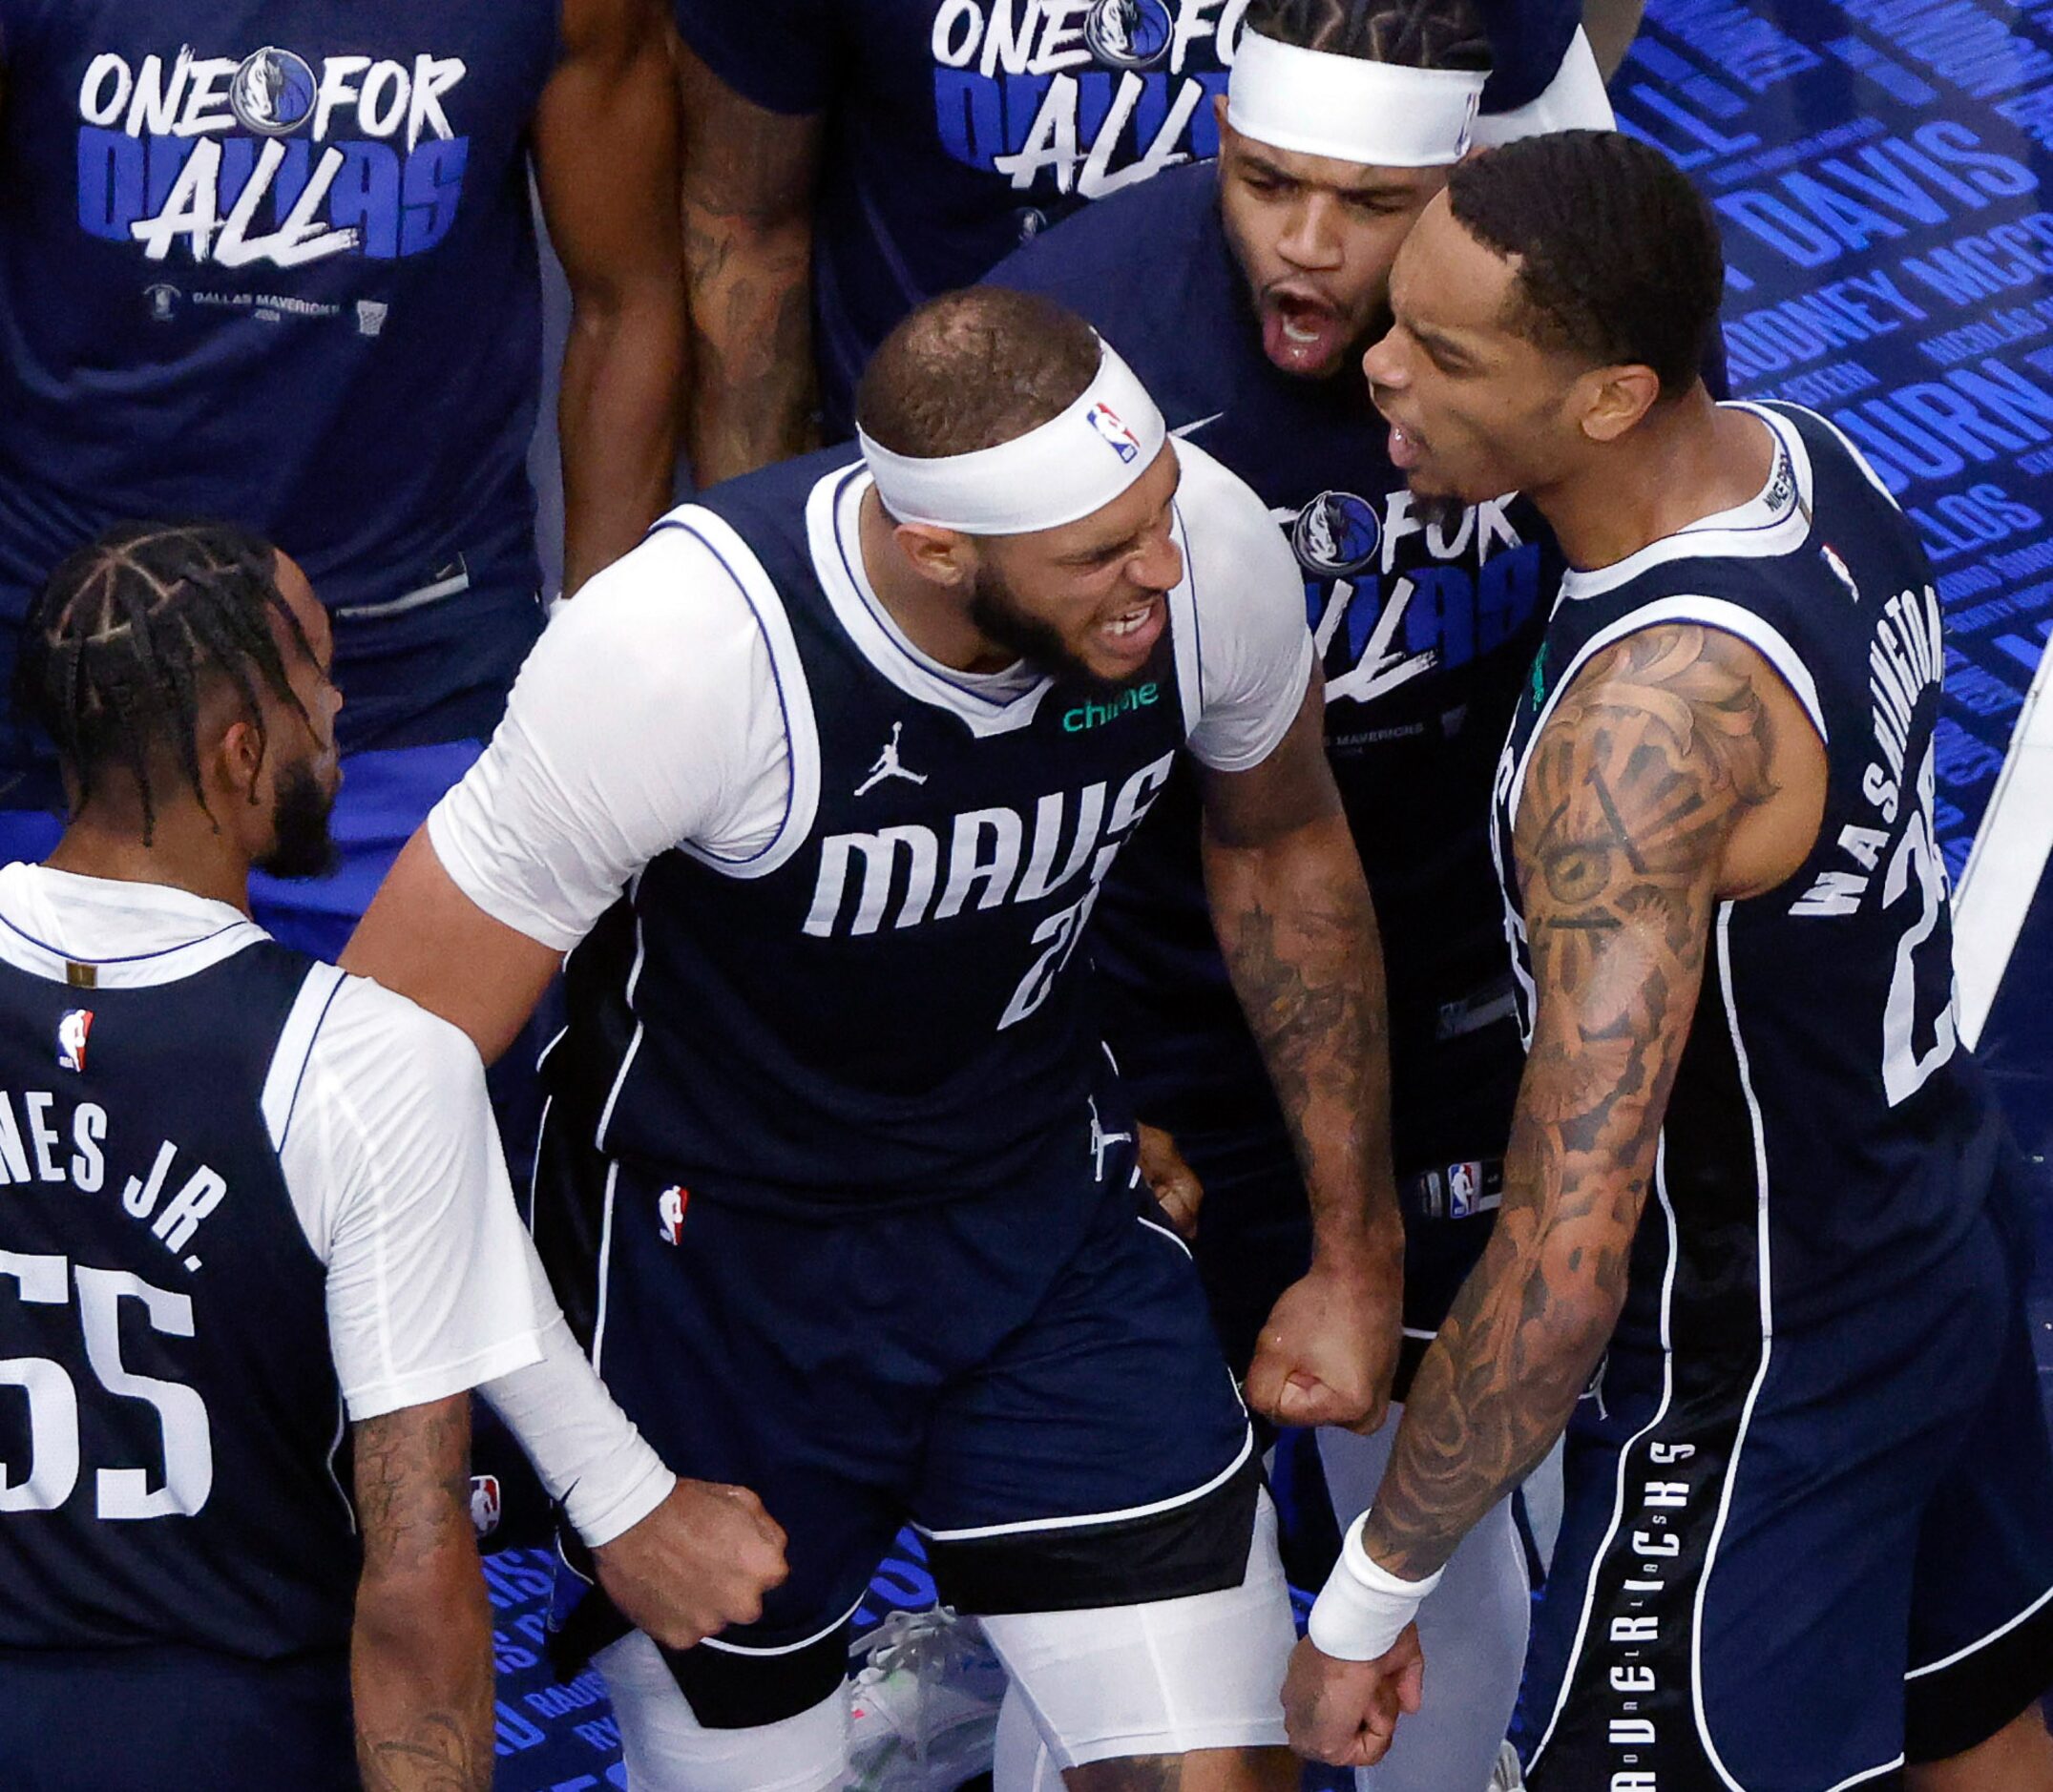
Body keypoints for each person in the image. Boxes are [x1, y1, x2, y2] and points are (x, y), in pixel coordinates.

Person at [343, 284, 1398, 1792]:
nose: (1158, 569)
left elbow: (1285, 844)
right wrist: (615, 1490)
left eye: (1156, 510)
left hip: (1037, 1211)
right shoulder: (682, 654)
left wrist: (1354, 1255)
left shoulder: (1198, 547)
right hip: (721, 1271)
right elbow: (385, 1077)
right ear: (937, 549)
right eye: (1100, 554)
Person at [1283, 131, 2053, 1789]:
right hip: (1936, 1224)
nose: (1381, 366)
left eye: (1446, 352)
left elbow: (1565, 1262)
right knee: (1975, 1730)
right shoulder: (1799, 453)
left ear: (1612, 399)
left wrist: (1366, 1591)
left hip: (1764, 1360)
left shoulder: (1651, 724)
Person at [985, 4, 1619, 1787]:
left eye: (1370, 203)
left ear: (1469, 185)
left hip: (1468, 980)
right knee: (1121, 1554)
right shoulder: (1076, 348)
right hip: (1152, 1000)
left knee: (1438, 1487)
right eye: (1268, 185)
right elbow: (987, 752)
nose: (1312, 247)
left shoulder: (1559, 310)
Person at [0, 521, 791, 1791]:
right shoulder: (367, 1063)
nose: (340, 700)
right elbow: (417, 1578)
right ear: (238, 751)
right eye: (316, 668)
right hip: (236, 1725)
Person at [0, 0, 684, 962]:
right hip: (64, 673)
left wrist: (592, 643)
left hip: (413, 669)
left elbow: (627, 300)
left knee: (416, 1091)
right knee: (78, 1102)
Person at [669, 0, 1601, 482]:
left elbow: (1517, 176)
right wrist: (772, 567)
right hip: (958, 495)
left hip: (1359, 508)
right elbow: (742, 228)